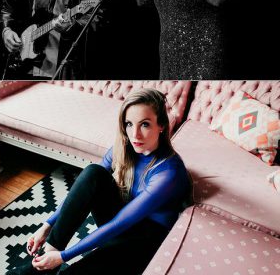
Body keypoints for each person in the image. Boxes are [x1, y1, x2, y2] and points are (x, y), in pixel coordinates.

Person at [10, 89, 191, 274]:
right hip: (122, 223)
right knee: (93, 172)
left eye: (144, 124)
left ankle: (51, 263)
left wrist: (64, 257)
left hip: (145, 242)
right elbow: (83, 186)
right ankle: (46, 260)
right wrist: (47, 226)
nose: (135, 134)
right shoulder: (126, 147)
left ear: (161, 125)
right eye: (129, 124)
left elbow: (119, 223)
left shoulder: (169, 173)